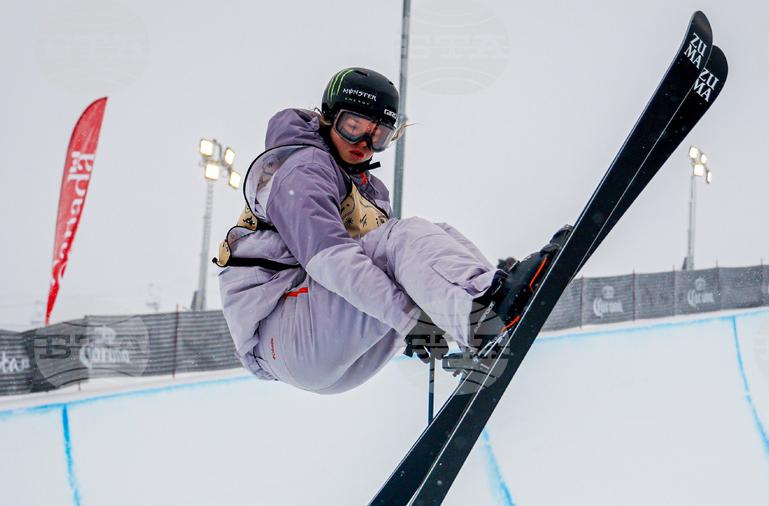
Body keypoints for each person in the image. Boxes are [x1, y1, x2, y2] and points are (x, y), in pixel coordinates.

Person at [217, 67, 563, 395]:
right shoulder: (303, 170)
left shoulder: (368, 190)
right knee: (403, 237)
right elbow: (332, 263)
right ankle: (484, 315)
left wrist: (423, 321)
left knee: (434, 235)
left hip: (331, 356)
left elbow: (404, 269)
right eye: (354, 126)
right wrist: (413, 322)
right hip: (285, 334)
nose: (365, 142)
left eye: (378, 135)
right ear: (327, 117)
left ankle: (488, 302)